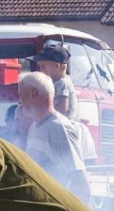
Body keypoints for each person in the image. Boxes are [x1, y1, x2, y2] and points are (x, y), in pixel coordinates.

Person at [18, 71, 91, 203]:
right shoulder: (34, 127)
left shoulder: (59, 127)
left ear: (33, 94)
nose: (19, 101)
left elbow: (81, 183)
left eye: (21, 95)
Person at [35, 42, 77, 119]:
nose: (40, 70)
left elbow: (62, 109)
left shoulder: (62, 83)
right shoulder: (55, 82)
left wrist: (44, 116)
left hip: (63, 124)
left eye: (43, 66)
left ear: (56, 66)